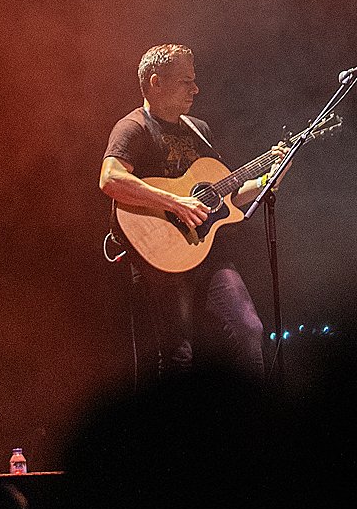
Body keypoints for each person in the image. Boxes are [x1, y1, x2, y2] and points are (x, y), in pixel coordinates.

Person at [100, 43, 277, 377]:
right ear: (156, 83)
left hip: (208, 252)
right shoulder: (133, 127)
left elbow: (227, 196)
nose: (196, 89)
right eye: (186, 81)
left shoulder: (199, 129)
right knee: (180, 356)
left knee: (249, 330)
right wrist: (175, 202)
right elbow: (110, 179)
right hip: (160, 257)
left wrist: (270, 178)